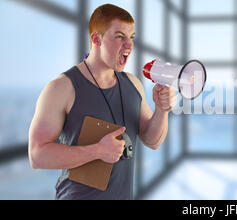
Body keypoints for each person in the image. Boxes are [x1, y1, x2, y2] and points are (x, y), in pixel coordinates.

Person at [28, 4, 177, 199]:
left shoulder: (133, 84)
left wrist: (162, 109)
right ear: (96, 39)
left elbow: (153, 140)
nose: (129, 45)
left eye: (131, 37)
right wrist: (97, 151)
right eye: (119, 36)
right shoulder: (61, 88)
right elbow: (37, 156)